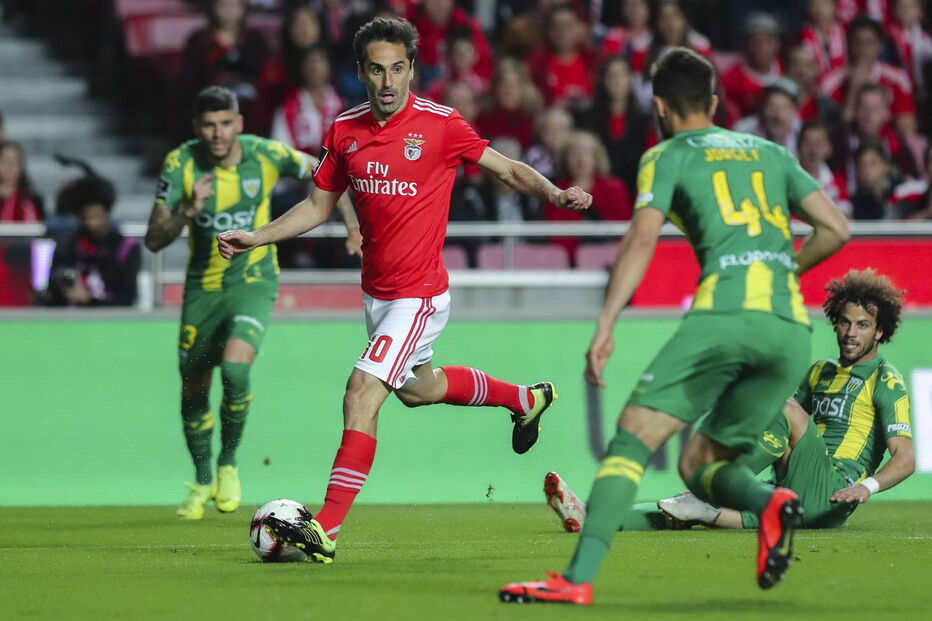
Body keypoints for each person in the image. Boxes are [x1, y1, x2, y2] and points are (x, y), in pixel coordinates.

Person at [217, 17, 592, 562]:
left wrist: (554, 195)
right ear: (361, 73)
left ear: (413, 69)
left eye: (398, 69)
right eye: (377, 70)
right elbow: (319, 205)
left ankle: (327, 529)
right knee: (418, 389)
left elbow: (507, 170)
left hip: (418, 296)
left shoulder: (440, 124)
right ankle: (526, 399)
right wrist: (257, 237)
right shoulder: (345, 129)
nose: (388, 81)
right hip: (378, 295)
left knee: (361, 393)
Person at [499, 47, 849, 605]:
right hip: (789, 329)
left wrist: (607, 322)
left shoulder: (666, 156)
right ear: (713, 102)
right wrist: (780, 269)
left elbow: (641, 237)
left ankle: (577, 580)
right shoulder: (771, 153)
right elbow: (835, 228)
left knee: (632, 435)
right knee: (698, 464)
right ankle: (773, 503)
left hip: (725, 315)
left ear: (659, 106)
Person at [547, 269, 915, 532]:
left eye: (862, 325)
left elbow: (907, 457)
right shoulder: (821, 372)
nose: (851, 333)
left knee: (781, 408)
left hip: (834, 487)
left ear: (880, 331)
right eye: (845, 323)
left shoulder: (886, 380)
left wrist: (866, 488)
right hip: (794, 493)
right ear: (835, 322)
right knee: (684, 514)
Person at [144, 85, 361, 520]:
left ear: (239, 123)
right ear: (196, 128)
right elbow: (153, 239)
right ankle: (203, 479)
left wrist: (352, 225)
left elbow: (329, 171)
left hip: (254, 282)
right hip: (202, 291)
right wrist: (189, 209)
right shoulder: (180, 163)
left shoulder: (266, 154)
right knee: (193, 388)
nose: (217, 133)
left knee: (237, 368)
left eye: (225, 123)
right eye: (208, 125)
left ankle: (228, 464)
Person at [43, 175, 139, 306]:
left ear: (106, 212)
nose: (91, 223)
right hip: (71, 320)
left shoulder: (126, 248)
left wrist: (89, 299)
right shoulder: (67, 246)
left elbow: (128, 298)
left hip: (112, 321)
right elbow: (52, 291)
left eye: (96, 216)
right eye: (86, 217)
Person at [721, 13, 784, 119]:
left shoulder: (786, 69)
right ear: (745, 44)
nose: (762, 48)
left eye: (767, 42)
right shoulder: (731, 80)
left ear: (777, 44)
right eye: (756, 42)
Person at [0, 141, 43, 223]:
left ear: (21, 166)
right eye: (4, 160)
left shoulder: (31, 200)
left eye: (15, 162)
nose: (9, 166)